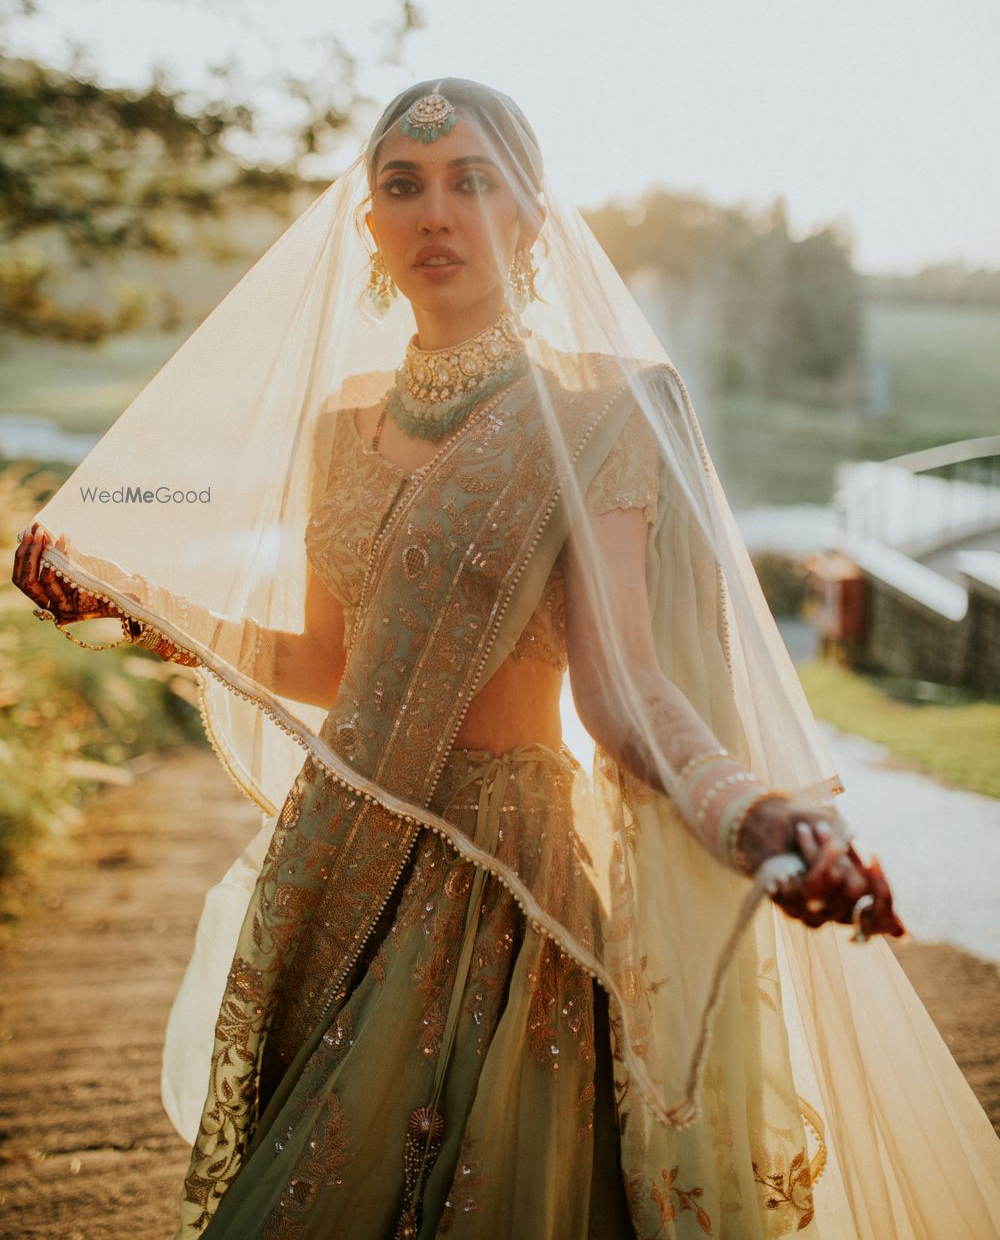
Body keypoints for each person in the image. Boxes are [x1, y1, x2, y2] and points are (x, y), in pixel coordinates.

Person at [12, 79, 1000, 1238]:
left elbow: (623, 689)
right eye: (403, 185)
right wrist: (136, 608)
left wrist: (753, 814)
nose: (437, 212)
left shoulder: (595, 413)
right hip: (334, 865)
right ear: (368, 225)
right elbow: (331, 662)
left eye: (472, 181)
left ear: (532, 216)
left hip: (500, 890)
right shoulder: (343, 419)